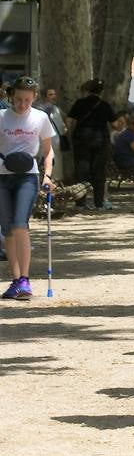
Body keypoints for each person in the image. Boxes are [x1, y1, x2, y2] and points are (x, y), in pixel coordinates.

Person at [0, 77, 54, 300]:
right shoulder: (2, 117)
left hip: (28, 177)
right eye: (19, 99)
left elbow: (48, 151)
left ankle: (25, 279)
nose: (22, 105)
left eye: (27, 100)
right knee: (8, 230)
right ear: (11, 96)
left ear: (34, 98)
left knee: (21, 224)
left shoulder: (41, 118)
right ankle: (15, 280)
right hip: (2, 176)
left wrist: (48, 175)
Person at [68, 78, 115, 210]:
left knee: (81, 172)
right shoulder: (105, 105)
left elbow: (69, 120)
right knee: (99, 173)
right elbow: (115, 123)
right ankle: (99, 203)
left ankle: (80, 203)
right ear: (101, 91)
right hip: (100, 141)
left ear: (88, 90)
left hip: (81, 140)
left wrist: (71, 135)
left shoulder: (79, 103)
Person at [35, 87, 67, 182]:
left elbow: (61, 125)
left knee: (55, 159)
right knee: (46, 158)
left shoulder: (56, 109)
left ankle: (53, 179)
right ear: (45, 97)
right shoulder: (40, 109)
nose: (54, 97)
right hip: (45, 138)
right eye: (50, 95)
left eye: (54, 94)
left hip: (54, 138)